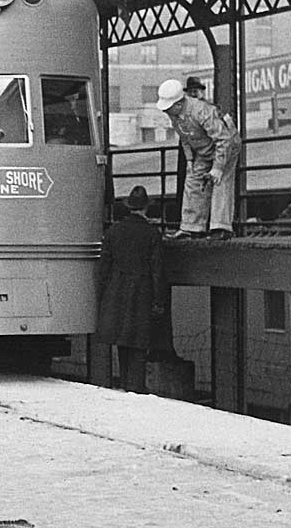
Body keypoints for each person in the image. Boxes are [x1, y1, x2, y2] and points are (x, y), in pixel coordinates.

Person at [96, 186, 171, 392]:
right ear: (146, 208)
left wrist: (102, 296)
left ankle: (124, 384)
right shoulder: (152, 233)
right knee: (138, 342)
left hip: (116, 291)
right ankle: (135, 388)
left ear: (129, 207)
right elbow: (157, 270)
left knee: (122, 341)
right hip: (141, 292)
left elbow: (103, 269)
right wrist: (159, 301)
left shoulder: (113, 232)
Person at [157, 78, 240, 239]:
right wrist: (189, 160)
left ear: (178, 104)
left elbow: (224, 140)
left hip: (226, 145)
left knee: (220, 181)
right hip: (204, 149)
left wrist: (218, 168)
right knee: (192, 181)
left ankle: (221, 228)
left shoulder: (202, 111)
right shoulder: (175, 115)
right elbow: (185, 138)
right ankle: (191, 227)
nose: (165, 112)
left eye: (167, 108)